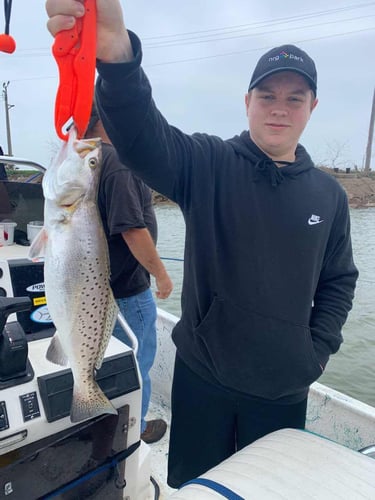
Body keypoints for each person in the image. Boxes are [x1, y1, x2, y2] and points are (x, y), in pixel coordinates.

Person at [46, 1, 359, 488]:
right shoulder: (208, 163)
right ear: (247, 100)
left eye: (295, 98)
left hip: (283, 389)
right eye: (267, 94)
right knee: (196, 488)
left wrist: (315, 352)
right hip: (202, 378)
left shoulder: (330, 195)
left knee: (267, 491)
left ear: (312, 107)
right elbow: (142, 138)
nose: (279, 107)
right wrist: (114, 54)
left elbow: (340, 281)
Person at [84, 104, 173, 444]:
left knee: (102, 364)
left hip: (97, 292)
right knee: (137, 366)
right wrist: (162, 275)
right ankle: (133, 430)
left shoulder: (84, 161)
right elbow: (132, 230)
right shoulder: (117, 163)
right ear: (106, 117)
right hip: (128, 292)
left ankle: (100, 425)